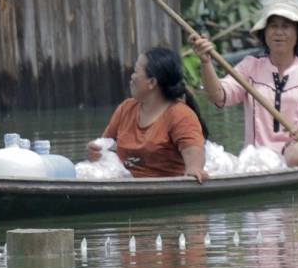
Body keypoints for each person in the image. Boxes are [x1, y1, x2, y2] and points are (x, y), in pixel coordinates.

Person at [190, 0, 298, 167]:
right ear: (264, 33)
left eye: (286, 26)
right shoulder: (250, 67)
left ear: (297, 33)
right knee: (206, 157)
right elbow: (218, 96)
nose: (279, 32)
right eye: (273, 26)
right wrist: (206, 62)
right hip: (256, 159)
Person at [87, 47, 209, 182]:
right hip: (127, 182)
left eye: (135, 71)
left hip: (164, 187)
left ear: (152, 82)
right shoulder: (126, 108)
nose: (132, 77)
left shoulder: (180, 115)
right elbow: (106, 145)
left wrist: (194, 168)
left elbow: (193, 152)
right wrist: (96, 152)